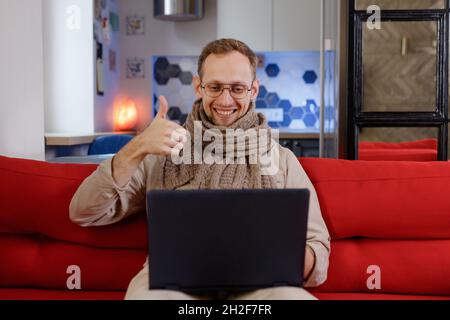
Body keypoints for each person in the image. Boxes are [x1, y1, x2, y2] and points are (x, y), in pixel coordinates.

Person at [69, 38, 330, 300]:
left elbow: (318, 252)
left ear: (253, 90)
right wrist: (136, 148)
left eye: (237, 88)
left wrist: (282, 255)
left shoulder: (281, 159)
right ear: (198, 87)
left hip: (259, 287)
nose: (225, 100)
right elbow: (83, 212)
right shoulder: (161, 151)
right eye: (215, 87)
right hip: (172, 286)